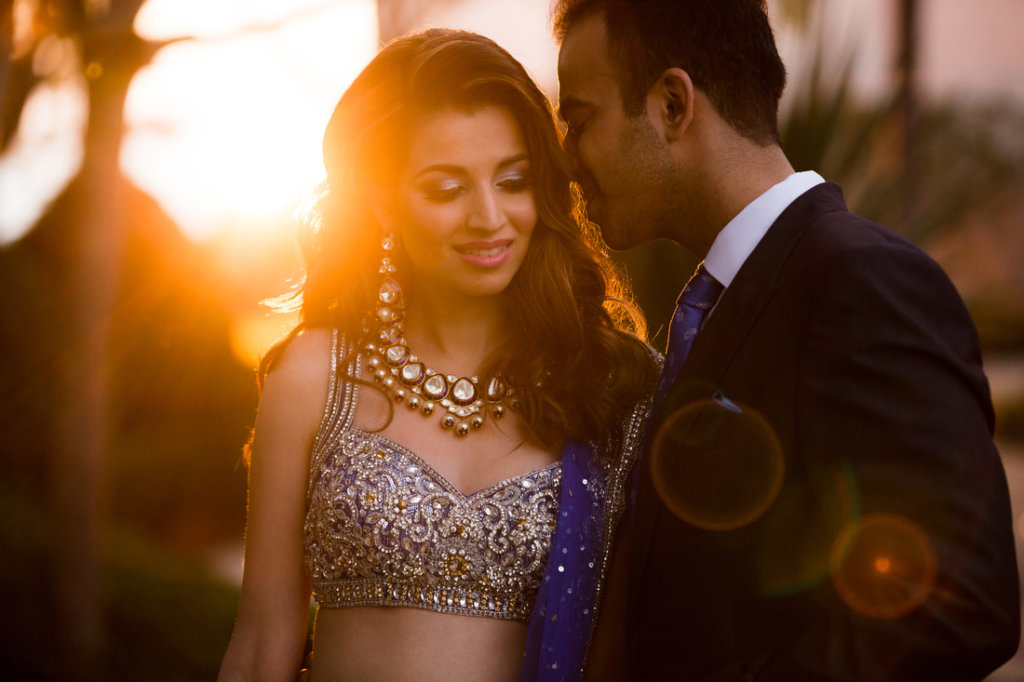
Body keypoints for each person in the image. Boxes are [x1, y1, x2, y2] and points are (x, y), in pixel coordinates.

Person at [554, 1, 1020, 679]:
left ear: (673, 105)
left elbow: (958, 602)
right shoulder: (716, 303)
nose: (568, 161)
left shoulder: (862, 280)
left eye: (579, 119)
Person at [217, 28, 656, 682]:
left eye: (513, 181)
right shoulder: (314, 377)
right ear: (382, 201)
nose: (489, 217)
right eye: (447, 189)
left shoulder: (608, 387)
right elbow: (260, 645)